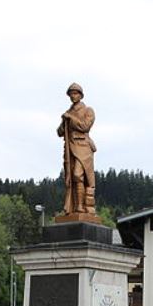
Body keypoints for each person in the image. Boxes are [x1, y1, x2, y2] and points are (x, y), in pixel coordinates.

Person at [57, 82, 96, 216]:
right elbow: (59, 132)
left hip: (83, 148)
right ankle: (75, 206)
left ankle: (81, 205)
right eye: (71, 94)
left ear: (80, 95)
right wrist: (64, 122)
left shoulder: (88, 110)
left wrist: (71, 119)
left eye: (75, 93)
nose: (73, 96)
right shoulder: (68, 113)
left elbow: (85, 126)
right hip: (70, 149)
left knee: (78, 174)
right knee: (71, 178)